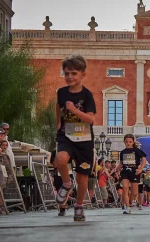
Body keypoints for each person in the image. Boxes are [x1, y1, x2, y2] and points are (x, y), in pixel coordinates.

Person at [54, 55, 97, 222]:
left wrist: (74, 110)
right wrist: (58, 124)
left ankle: (79, 205)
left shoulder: (87, 95)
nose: (69, 77)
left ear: (82, 75)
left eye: (73, 73)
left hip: (84, 139)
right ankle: (66, 184)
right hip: (66, 135)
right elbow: (58, 107)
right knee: (61, 159)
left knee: (82, 176)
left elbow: (91, 119)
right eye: (66, 73)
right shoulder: (61, 92)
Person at [117, 134, 147, 214]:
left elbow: (144, 160)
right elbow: (121, 163)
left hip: (134, 172)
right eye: (126, 142)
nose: (128, 143)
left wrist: (140, 169)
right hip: (125, 172)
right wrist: (116, 169)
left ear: (133, 142)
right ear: (124, 142)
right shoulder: (122, 152)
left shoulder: (136, 151)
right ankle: (127, 207)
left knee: (134, 193)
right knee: (125, 188)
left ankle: (133, 200)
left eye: (130, 142)